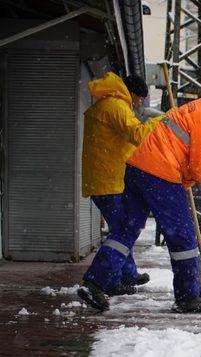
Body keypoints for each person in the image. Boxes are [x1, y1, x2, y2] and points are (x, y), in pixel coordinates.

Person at [78, 86, 201, 313]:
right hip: (162, 175)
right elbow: (200, 166)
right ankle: (187, 298)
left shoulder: (196, 109)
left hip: (137, 169)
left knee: (126, 229)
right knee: (184, 237)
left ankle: (95, 283)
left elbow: (197, 157)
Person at [81, 72, 162, 290]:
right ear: (133, 94)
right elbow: (138, 134)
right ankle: (110, 280)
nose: (138, 104)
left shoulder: (109, 104)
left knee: (122, 229)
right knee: (122, 232)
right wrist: (163, 120)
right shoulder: (116, 106)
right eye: (139, 99)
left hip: (106, 178)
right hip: (108, 180)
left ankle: (126, 274)